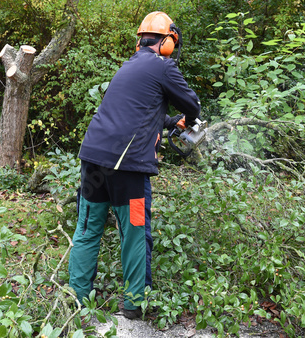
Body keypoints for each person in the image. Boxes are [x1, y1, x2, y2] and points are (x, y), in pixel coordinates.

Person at [68, 11, 201, 319]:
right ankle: (134, 305)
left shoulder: (129, 66)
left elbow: (139, 110)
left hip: (93, 158)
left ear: (142, 39)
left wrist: (171, 122)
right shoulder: (163, 66)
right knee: (135, 233)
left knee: (88, 230)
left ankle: (75, 300)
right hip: (126, 167)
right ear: (167, 42)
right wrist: (192, 123)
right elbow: (192, 104)